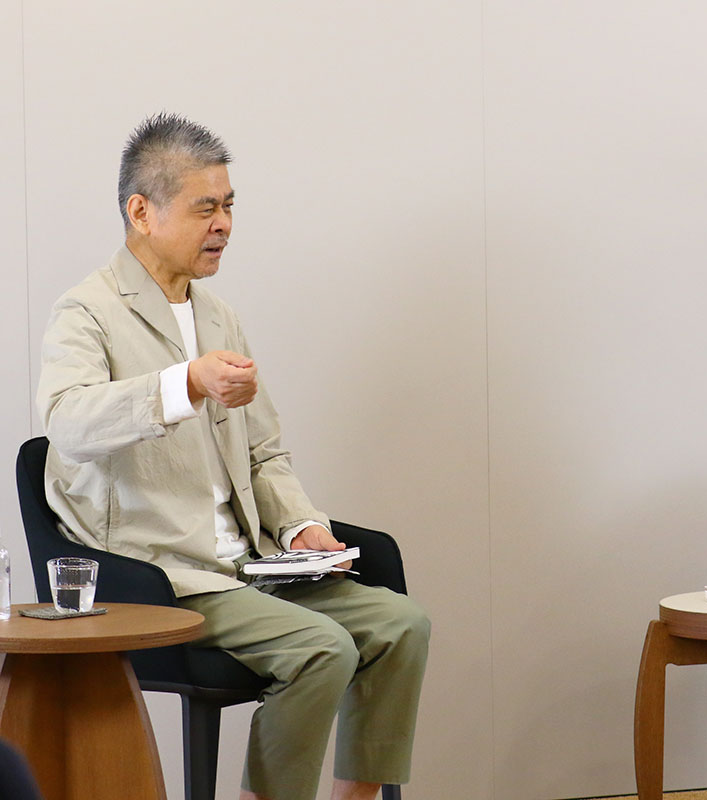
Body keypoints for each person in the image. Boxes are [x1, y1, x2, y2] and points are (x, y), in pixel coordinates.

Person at [37, 113, 430, 800]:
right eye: (205, 208)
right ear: (141, 212)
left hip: (250, 564)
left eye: (228, 206)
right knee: (322, 648)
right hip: (164, 573)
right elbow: (68, 423)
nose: (223, 225)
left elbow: (264, 452)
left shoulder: (218, 316)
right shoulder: (87, 311)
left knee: (401, 624)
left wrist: (300, 527)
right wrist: (185, 383)